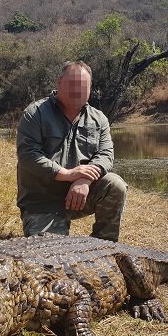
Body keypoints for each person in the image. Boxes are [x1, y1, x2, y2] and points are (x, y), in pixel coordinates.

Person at [16, 61, 127, 241]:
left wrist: (84, 180)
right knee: (50, 254)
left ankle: (105, 246)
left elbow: (106, 155)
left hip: (80, 196)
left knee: (114, 185)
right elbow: (28, 155)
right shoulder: (35, 113)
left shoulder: (99, 119)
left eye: (83, 86)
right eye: (72, 84)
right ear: (59, 82)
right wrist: (66, 174)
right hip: (42, 202)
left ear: (91, 89)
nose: (77, 90)